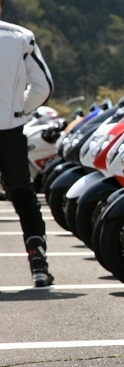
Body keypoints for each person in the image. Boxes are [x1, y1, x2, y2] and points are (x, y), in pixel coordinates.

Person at [0, 0, 55, 286]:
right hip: (10, 129)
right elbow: (43, 86)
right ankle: (38, 263)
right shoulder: (20, 37)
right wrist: (20, 110)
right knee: (23, 196)